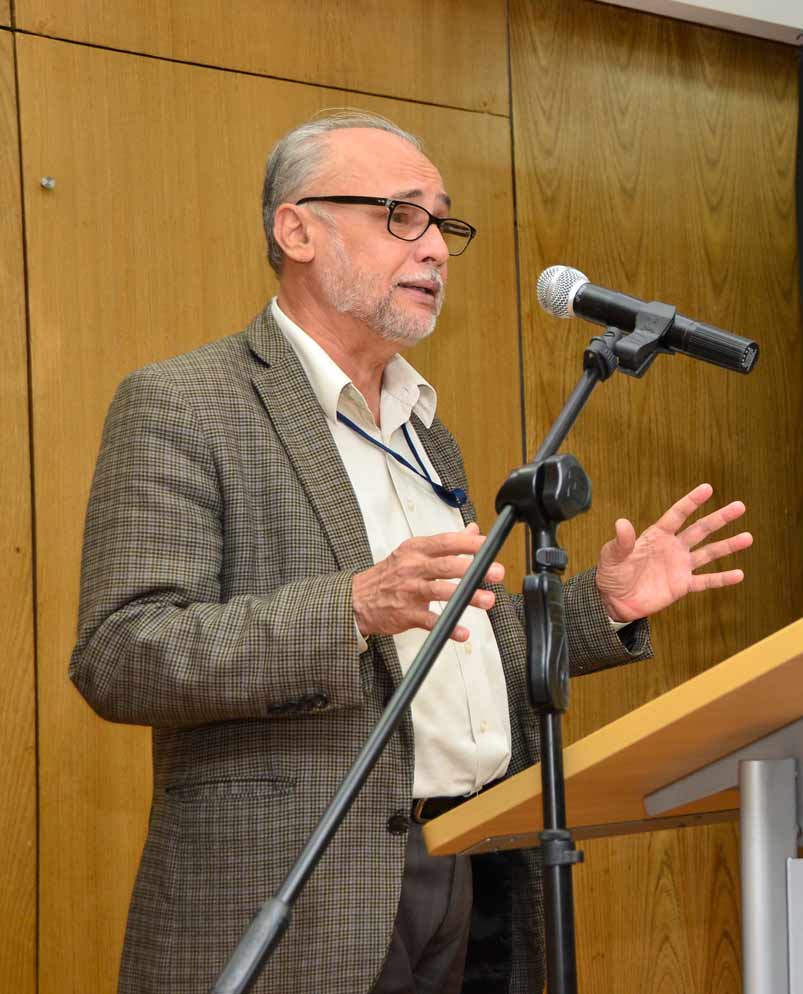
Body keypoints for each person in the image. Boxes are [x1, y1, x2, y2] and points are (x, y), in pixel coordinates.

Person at [69, 110, 752, 994]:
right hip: (302, 889)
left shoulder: (425, 431)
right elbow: (122, 652)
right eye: (402, 215)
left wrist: (603, 604)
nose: (434, 248)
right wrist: (352, 607)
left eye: (441, 222)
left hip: (470, 861)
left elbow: (452, 646)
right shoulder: (186, 405)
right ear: (297, 230)